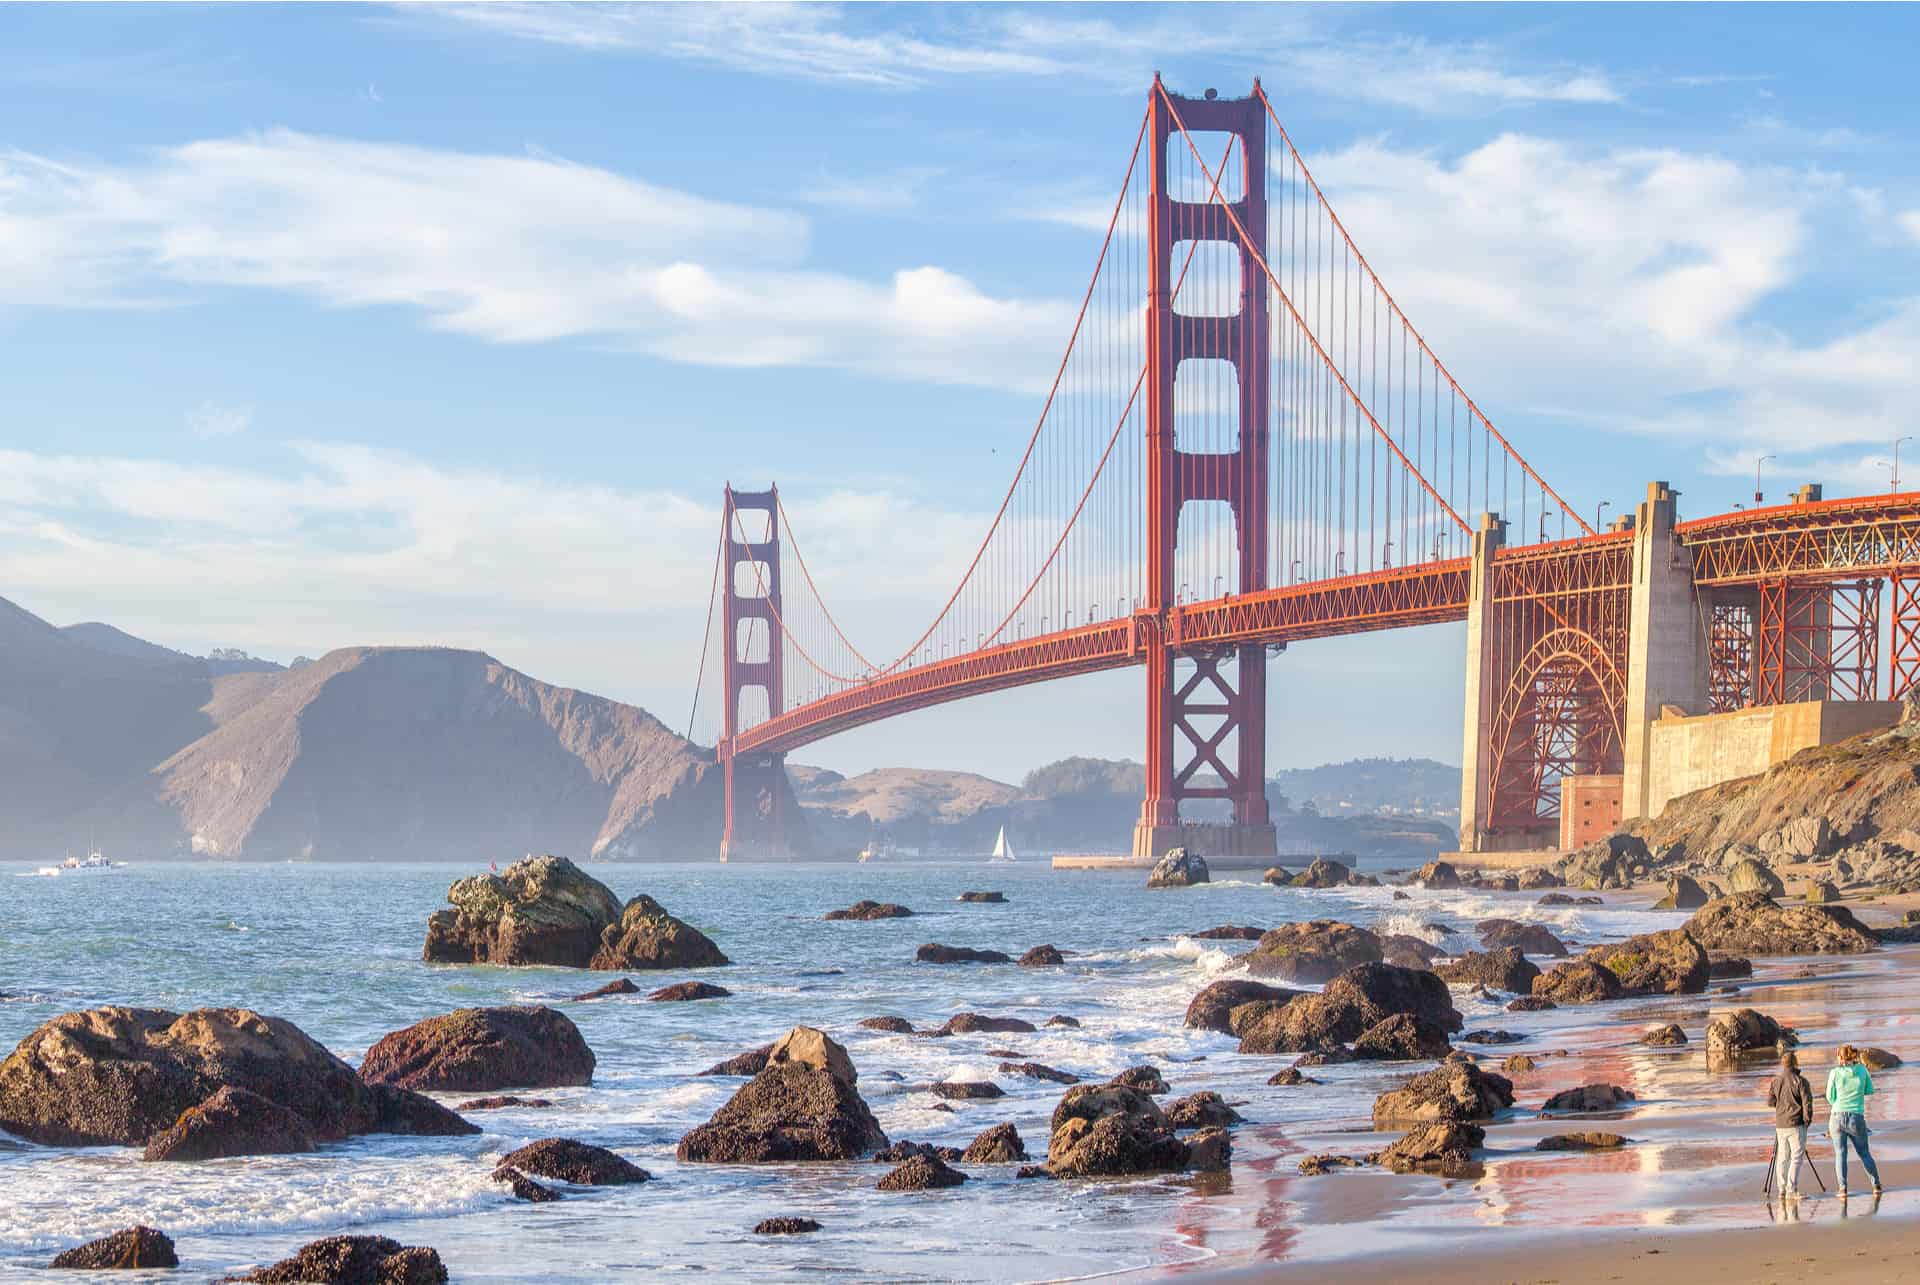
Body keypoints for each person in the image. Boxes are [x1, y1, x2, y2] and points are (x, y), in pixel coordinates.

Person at [1826, 1044, 1884, 1196]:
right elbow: (1869, 1090)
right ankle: (1876, 1185)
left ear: (1841, 1057)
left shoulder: (1834, 1073)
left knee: (1840, 1154)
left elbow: (1829, 1097)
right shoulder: (1862, 1070)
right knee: (1864, 1153)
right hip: (1856, 1116)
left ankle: (1843, 1189)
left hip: (1837, 1116)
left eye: (1837, 1055)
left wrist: (1838, 1104)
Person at [1767, 1050, 1814, 1197]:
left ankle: (1782, 1189)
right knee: (1796, 1156)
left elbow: (1770, 1102)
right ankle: (1791, 1189)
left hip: (1781, 1123)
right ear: (1795, 1063)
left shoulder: (1775, 1081)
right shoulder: (1801, 1081)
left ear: (1783, 1064)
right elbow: (1807, 1103)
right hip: (1796, 1123)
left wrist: (1781, 1106)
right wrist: (1807, 1120)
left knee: (1782, 1157)